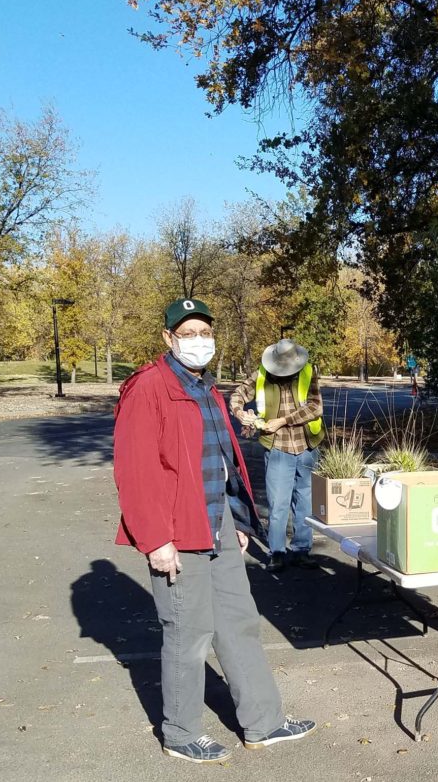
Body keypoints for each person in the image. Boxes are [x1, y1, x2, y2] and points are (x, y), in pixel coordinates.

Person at [113, 298, 314, 763]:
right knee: (188, 629)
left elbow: (224, 459)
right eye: (188, 333)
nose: (199, 340)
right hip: (176, 531)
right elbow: (136, 471)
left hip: (217, 521)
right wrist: (155, 539)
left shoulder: (207, 388)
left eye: (204, 331)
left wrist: (237, 520)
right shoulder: (149, 388)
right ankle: (181, 733)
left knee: (239, 622)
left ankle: (263, 723)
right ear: (168, 339)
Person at [229, 339, 324, 572]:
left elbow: (315, 407)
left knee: (304, 501)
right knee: (278, 503)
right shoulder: (261, 373)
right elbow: (237, 395)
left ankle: (302, 550)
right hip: (277, 446)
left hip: (306, 446)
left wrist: (283, 420)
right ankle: (277, 552)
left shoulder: (309, 372)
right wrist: (240, 413)